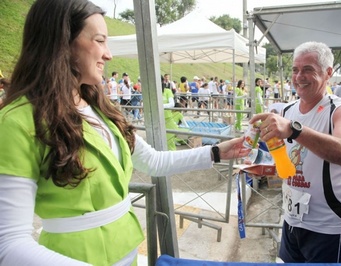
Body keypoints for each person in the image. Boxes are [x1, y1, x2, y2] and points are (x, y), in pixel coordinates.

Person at [0, 1, 251, 265]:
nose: (108, 54)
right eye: (99, 40)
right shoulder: (16, 122)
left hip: (128, 255)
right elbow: (9, 244)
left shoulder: (98, 106)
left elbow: (153, 161)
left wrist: (217, 151)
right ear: (63, 43)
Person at [250, 41, 341, 263]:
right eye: (295, 69)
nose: (299, 76)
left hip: (327, 223)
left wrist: (293, 129)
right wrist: (254, 155)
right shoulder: (286, 110)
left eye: (308, 70)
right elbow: (286, 158)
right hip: (291, 217)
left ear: (328, 73)